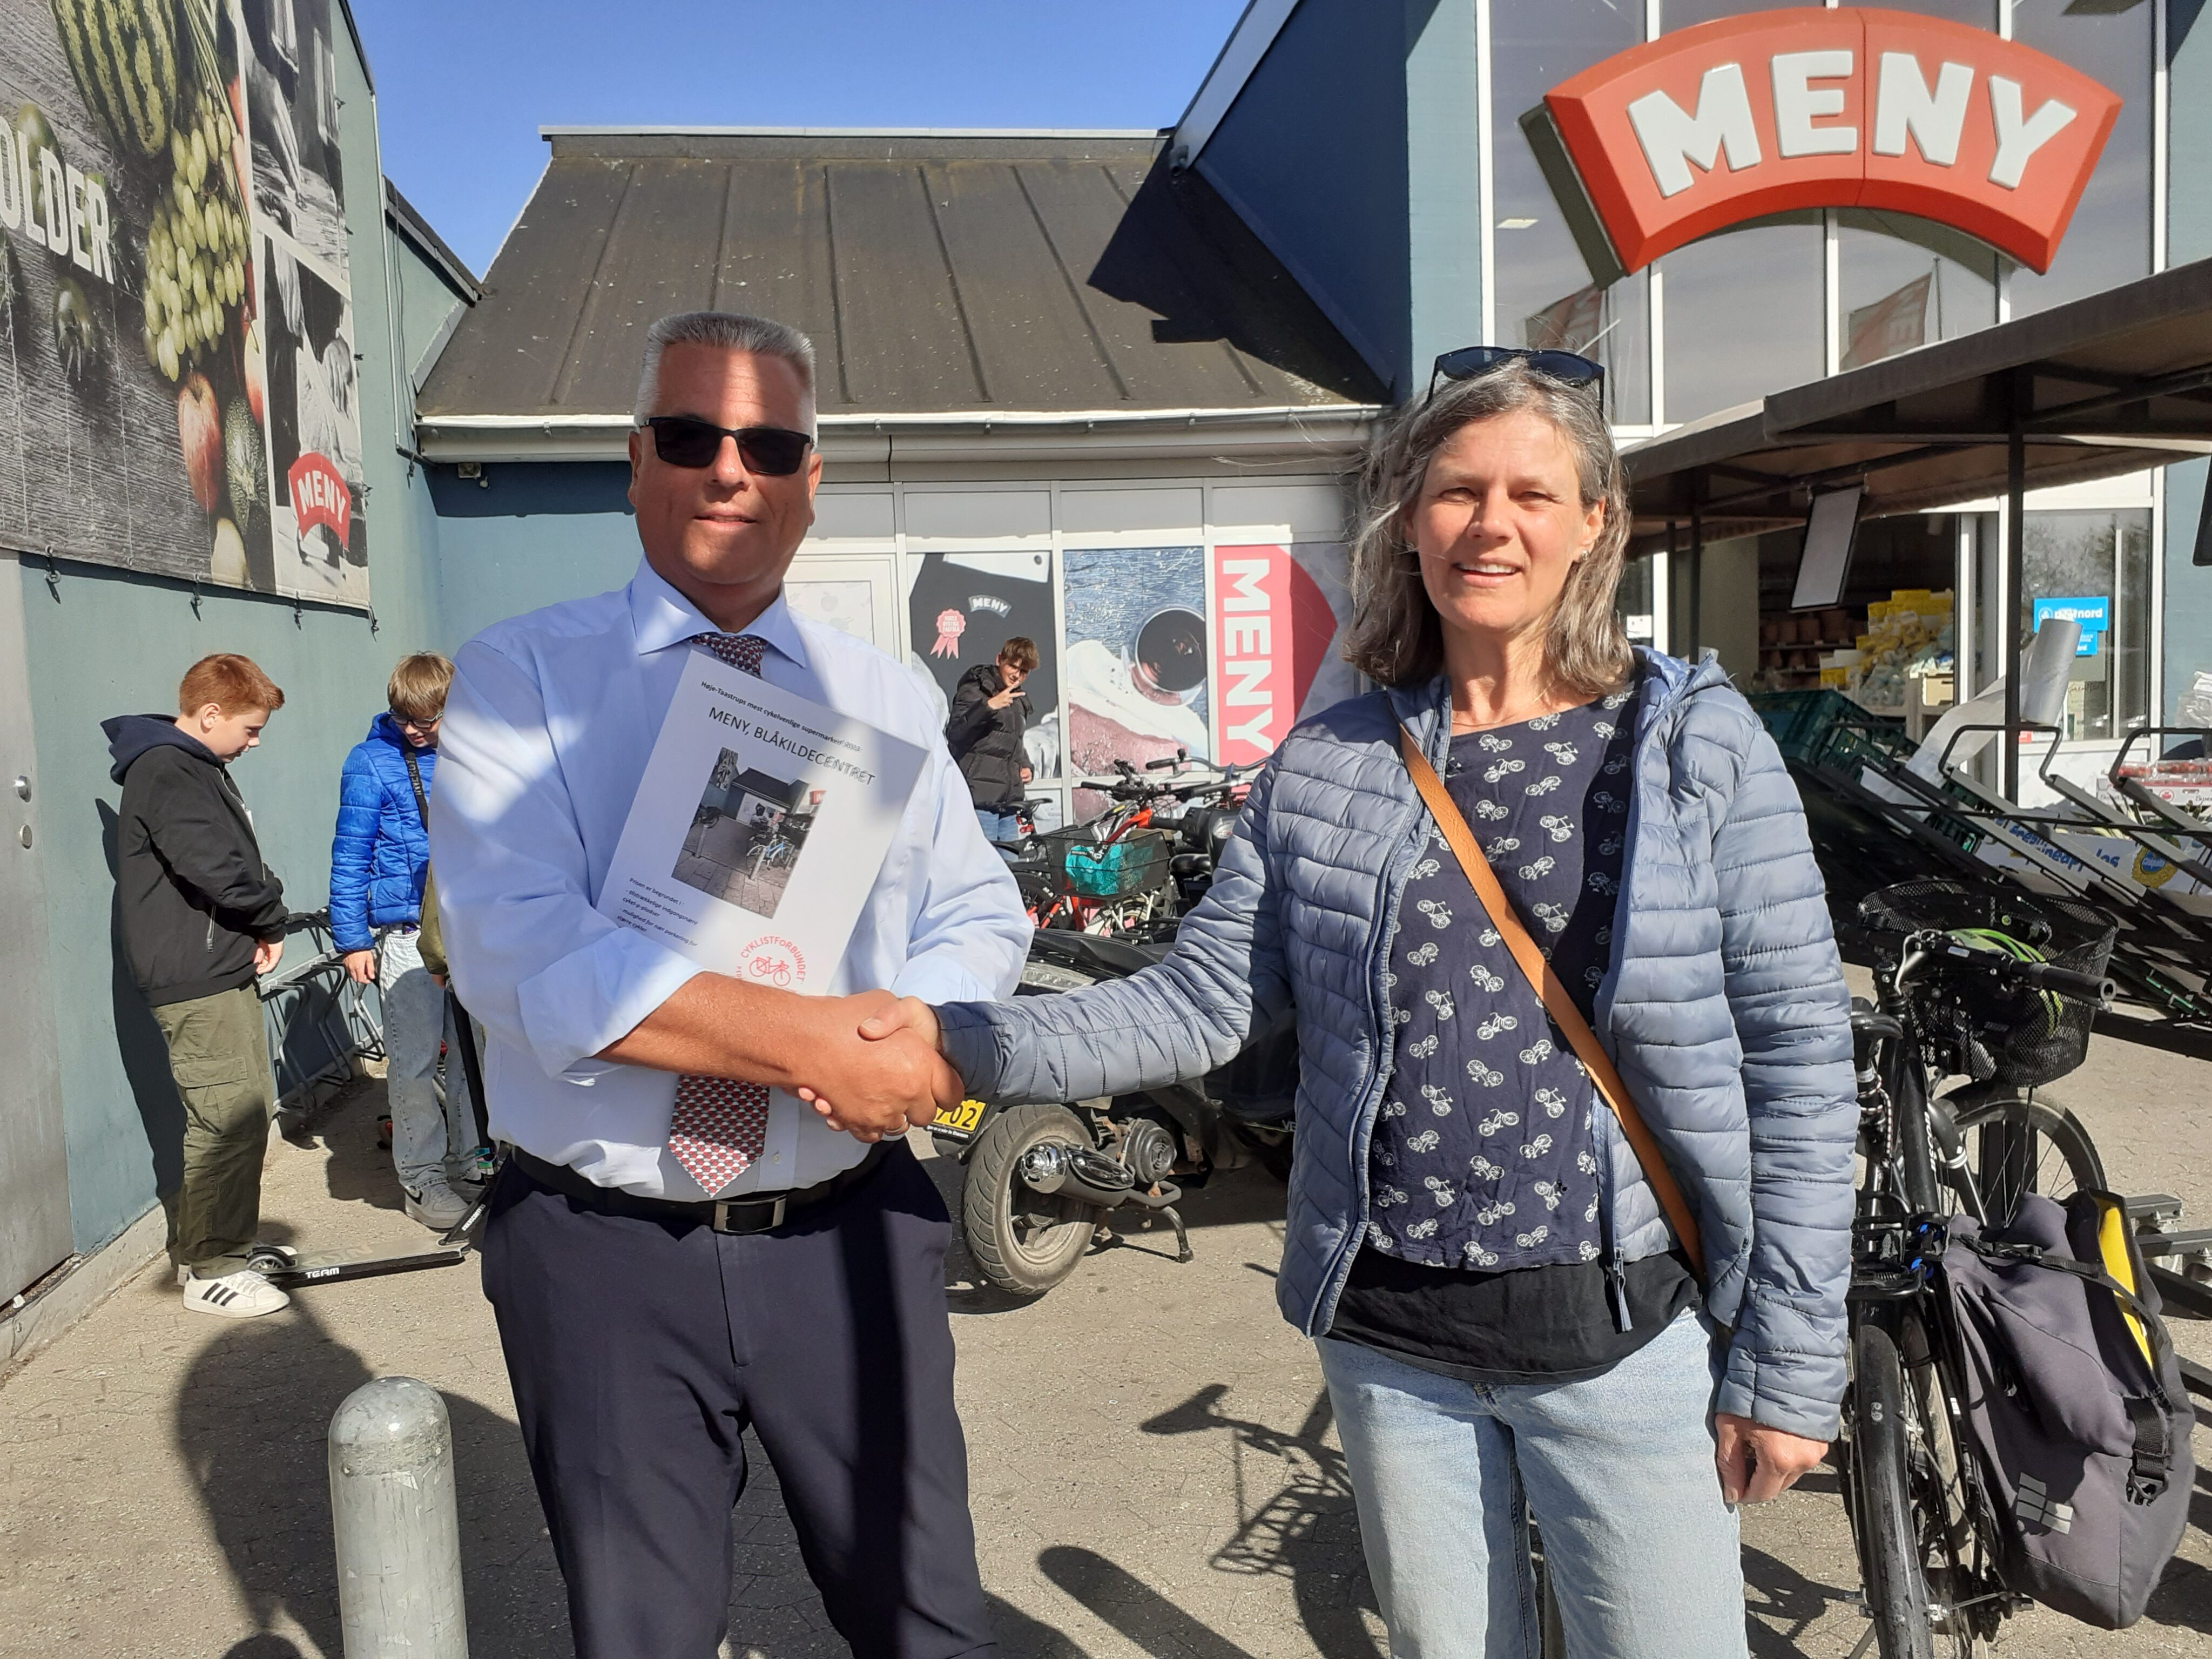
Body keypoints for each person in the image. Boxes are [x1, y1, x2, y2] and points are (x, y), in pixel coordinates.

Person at [862, 350, 1858, 1657]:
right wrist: (957, 1043)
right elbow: (1203, 1001)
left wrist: (1789, 1356)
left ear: (1592, 522)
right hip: (1393, 1351)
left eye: (1530, 494)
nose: (1490, 525)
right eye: (1456, 492)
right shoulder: (1329, 761)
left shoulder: (1688, 743)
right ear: (1410, 522)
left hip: (1621, 1336)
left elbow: (1797, 1057)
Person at [431, 309, 1029, 1659]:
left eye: (767, 446)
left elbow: (975, 907)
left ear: (811, 479)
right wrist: (814, 1043)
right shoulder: (522, 678)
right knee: (642, 1634)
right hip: (602, 1251)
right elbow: (517, 948)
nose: (727, 470)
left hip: (845, 1229)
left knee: (929, 1619)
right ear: (635, 458)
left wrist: (912, 1038)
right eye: (692, 434)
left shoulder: (885, 695)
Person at [104, 655, 293, 1320]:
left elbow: (230, 862)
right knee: (226, 1115)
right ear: (211, 714)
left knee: (245, 1109)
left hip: (213, 964)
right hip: (193, 975)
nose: (255, 741)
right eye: (250, 728)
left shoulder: (189, 766)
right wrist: (270, 915)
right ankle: (213, 1269)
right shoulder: (167, 768)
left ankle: (226, 1245)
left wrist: (259, 920)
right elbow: (217, 868)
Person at [331, 652, 480, 1230]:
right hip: (406, 935)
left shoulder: (474, 755)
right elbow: (349, 857)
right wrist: (352, 940)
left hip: (469, 931)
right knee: (413, 1063)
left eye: (426, 719)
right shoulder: (370, 761)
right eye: (403, 718)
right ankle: (422, 1179)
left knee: (472, 1059)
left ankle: (473, 1162)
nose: (414, 729)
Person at [947, 636, 1036, 845]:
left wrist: (1026, 766)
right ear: (999, 660)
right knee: (981, 864)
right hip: (980, 802)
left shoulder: (1017, 699)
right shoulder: (976, 689)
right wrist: (987, 707)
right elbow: (955, 735)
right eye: (1013, 666)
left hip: (1009, 804)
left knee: (1009, 865)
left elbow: (1012, 742)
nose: (1017, 675)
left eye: (1024, 671)